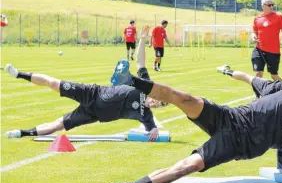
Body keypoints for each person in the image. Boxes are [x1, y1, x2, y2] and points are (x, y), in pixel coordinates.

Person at [107, 5, 282, 183]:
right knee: (183, 98)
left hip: (235, 146)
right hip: (229, 117)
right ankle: (130, 80)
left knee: (189, 166)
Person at [4, 61, 165, 141]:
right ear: (155, 95)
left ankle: (22, 133)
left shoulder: (147, 116)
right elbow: (140, 63)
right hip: (92, 93)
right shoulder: (145, 86)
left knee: (59, 125)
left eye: (160, 105)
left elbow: (152, 130)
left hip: (92, 114)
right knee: (54, 84)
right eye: (158, 100)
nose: (156, 104)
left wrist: (154, 130)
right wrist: (143, 39)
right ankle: (18, 74)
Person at [251, 0, 282, 82]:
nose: (271, 7)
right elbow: (254, 32)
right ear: (263, 6)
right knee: (258, 74)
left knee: (274, 76)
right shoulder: (257, 18)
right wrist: (253, 36)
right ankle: (259, 95)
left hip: (273, 51)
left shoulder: (279, 17)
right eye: (269, 5)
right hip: (259, 49)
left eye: (272, 4)